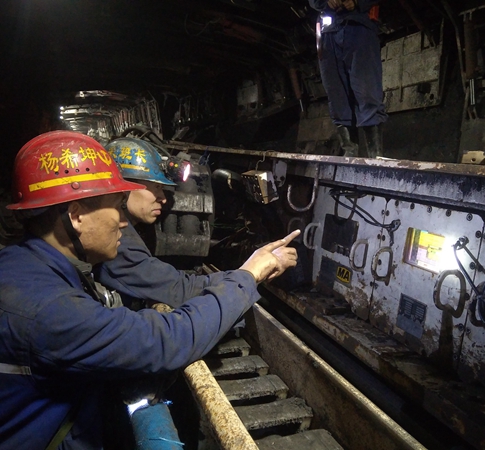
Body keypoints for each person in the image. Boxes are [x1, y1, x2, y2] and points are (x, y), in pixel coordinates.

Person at [0, 130, 299, 449]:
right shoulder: (46, 309)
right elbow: (168, 340)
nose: (123, 222)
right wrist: (248, 276)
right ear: (76, 216)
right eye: (117, 207)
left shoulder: (25, 266)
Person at [93, 137, 228, 309]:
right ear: (126, 187)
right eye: (156, 187)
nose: (163, 199)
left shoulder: (122, 229)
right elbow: (177, 289)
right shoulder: (117, 241)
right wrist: (243, 277)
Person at [309, 0, 387, 158]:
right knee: (337, 94)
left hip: (359, 25)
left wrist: (357, 2)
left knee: (367, 90)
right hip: (328, 32)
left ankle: (375, 156)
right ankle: (350, 152)